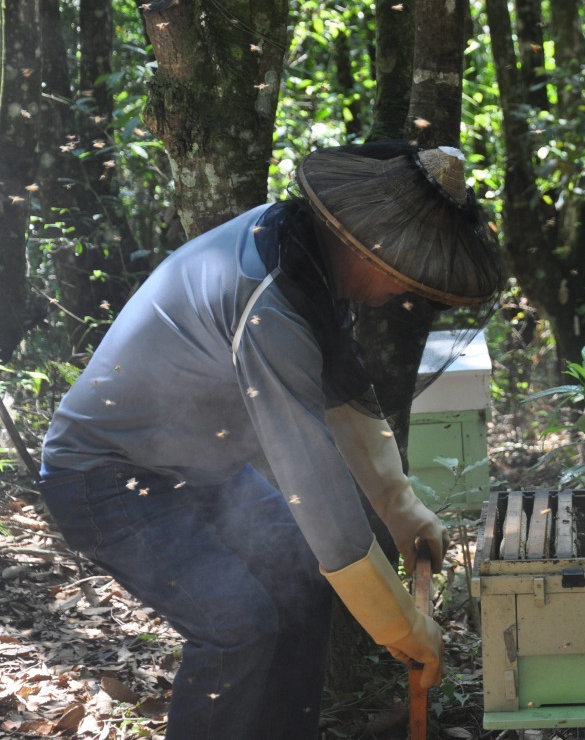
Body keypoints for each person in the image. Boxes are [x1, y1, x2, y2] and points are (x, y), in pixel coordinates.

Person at [38, 141, 502, 740]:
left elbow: (343, 399)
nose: (406, 287)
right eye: (403, 268)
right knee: (239, 626)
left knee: (303, 584)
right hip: (106, 477)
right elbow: (315, 486)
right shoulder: (269, 302)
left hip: (196, 466)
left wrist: (401, 507)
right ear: (364, 245)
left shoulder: (300, 255)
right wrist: (401, 626)